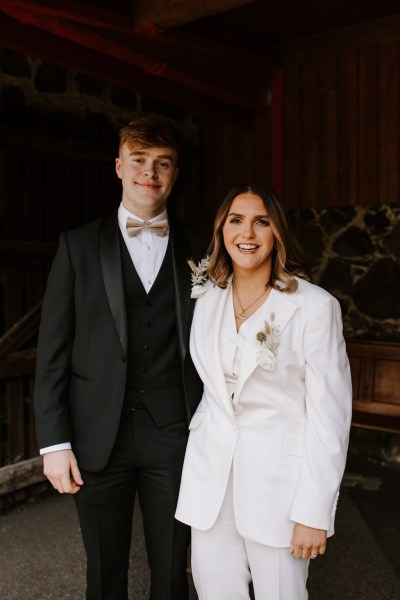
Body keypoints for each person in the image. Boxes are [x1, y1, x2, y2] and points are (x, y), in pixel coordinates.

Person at [34, 116, 207, 600]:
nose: (149, 173)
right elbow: (52, 352)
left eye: (162, 164)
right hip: (96, 436)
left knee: (174, 568)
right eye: (139, 161)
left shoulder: (202, 249)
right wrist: (54, 442)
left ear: (174, 174)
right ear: (118, 166)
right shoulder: (78, 246)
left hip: (176, 435)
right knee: (105, 572)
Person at [175, 183, 352, 600]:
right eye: (236, 221)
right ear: (221, 231)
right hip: (211, 486)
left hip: (281, 490)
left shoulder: (314, 306)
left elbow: (330, 417)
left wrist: (314, 512)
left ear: (277, 233)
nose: (247, 233)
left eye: (261, 222)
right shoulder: (207, 299)